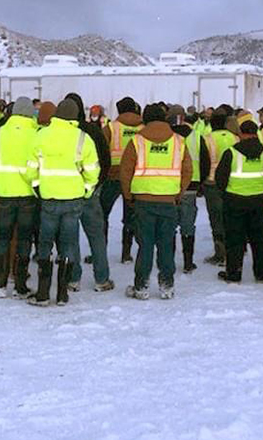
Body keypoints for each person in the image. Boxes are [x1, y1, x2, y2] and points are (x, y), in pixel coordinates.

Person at [27, 99, 100, 306]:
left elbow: (31, 167)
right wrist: (86, 190)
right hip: (74, 198)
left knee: (45, 242)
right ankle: (62, 293)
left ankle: (42, 293)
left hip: (49, 197)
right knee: (68, 242)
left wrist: (37, 187)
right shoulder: (82, 139)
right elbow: (93, 170)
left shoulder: (41, 135)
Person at [120, 103, 192, 299]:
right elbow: (187, 171)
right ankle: (167, 284)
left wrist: (129, 196)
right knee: (166, 244)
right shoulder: (179, 141)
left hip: (143, 201)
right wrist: (178, 193)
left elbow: (125, 171)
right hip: (169, 202)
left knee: (145, 245)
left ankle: (141, 286)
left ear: (145, 119)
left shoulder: (137, 141)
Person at [0, 97, 40, 298]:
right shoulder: (37, 135)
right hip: (28, 195)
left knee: (2, 237)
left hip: (3, 193)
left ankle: (0, 284)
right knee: (24, 239)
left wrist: (1, 178)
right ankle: (20, 284)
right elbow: (39, 167)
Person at [215, 120, 263, 283]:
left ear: (241, 134)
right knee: (259, 238)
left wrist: (227, 191)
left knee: (235, 238)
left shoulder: (231, 153)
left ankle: (234, 273)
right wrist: (260, 184)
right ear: (256, 133)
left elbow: (220, 179)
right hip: (257, 200)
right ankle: (262, 273)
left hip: (234, 200)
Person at [64, 92, 114, 293]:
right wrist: (96, 185)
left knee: (70, 236)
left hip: (67, 192)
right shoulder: (93, 131)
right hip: (91, 191)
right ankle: (101, 278)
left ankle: (73, 278)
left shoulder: (57, 133)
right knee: (96, 235)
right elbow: (105, 160)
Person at [101, 97, 143, 263]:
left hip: (112, 176)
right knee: (130, 215)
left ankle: (100, 251)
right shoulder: (143, 128)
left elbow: (102, 152)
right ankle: (126, 253)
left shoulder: (110, 128)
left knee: (102, 213)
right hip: (134, 178)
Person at [170, 107, 209, 273]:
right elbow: (205, 162)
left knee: (169, 226)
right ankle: (187, 262)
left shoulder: (167, 137)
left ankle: (168, 261)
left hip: (169, 186)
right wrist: (201, 184)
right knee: (188, 225)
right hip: (191, 186)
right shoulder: (196, 136)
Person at [203, 107, 239, 265]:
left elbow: (204, 162)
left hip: (212, 182)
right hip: (232, 182)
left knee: (216, 219)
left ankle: (220, 253)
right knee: (230, 217)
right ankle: (233, 252)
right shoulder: (235, 138)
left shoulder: (207, 138)